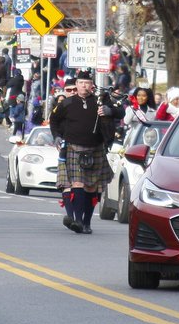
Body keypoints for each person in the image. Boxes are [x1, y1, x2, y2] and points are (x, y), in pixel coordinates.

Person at [49, 70, 124, 234]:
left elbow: (120, 112)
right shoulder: (67, 103)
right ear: (76, 85)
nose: (84, 86)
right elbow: (53, 120)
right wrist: (56, 137)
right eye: (81, 83)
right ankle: (77, 220)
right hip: (73, 148)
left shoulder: (100, 101)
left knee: (91, 188)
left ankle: (86, 222)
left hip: (95, 148)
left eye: (87, 83)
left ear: (92, 85)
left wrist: (109, 111)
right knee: (77, 184)